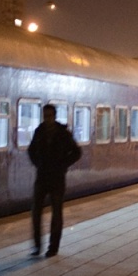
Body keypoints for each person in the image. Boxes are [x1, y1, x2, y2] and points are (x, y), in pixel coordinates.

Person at [28, 104, 82, 257]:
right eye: (45, 116)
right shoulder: (39, 131)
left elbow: (77, 152)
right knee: (36, 212)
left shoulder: (63, 133)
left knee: (56, 213)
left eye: (50, 116)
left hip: (57, 178)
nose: (47, 119)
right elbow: (31, 150)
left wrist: (63, 165)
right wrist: (37, 163)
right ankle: (37, 246)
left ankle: (53, 247)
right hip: (42, 176)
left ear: (54, 116)